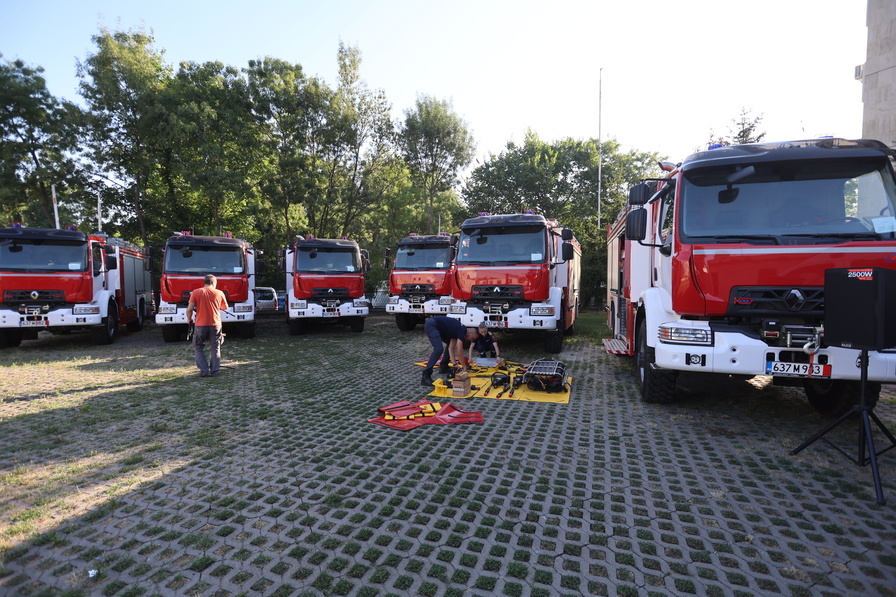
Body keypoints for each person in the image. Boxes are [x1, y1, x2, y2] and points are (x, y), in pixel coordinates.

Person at [185, 274, 229, 377]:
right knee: (215, 348)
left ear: (204, 282)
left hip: (200, 324)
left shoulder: (196, 292)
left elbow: (189, 309)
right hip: (216, 324)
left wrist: (189, 318)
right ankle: (215, 371)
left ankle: (204, 371)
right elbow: (224, 307)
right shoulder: (219, 293)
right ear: (214, 283)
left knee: (198, 347)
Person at [421, 316, 478, 387]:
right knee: (438, 349)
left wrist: (454, 365)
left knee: (448, 344)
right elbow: (459, 352)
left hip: (435, 325)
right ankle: (426, 376)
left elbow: (451, 348)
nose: (470, 340)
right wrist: (464, 367)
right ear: (470, 332)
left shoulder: (457, 330)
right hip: (432, 325)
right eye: (472, 338)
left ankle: (443, 367)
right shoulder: (462, 330)